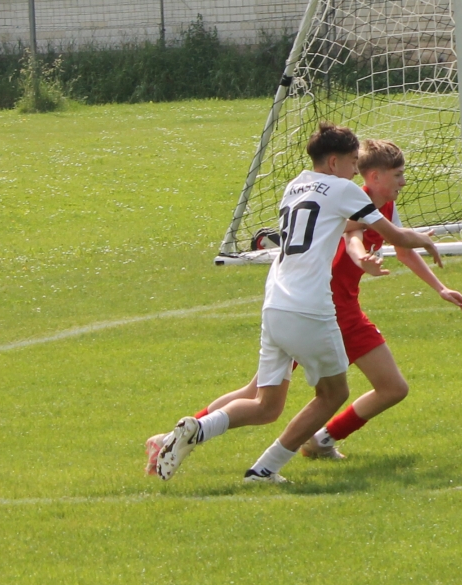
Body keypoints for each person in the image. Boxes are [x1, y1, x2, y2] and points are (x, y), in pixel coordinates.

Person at [144, 122, 442, 483]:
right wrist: (424, 240)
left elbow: (347, 232)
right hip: (310, 307)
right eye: (352, 162)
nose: (355, 170)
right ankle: (265, 468)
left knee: (265, 405)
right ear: (333, 162)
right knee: (334, 393)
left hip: (275, 304)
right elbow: (393, 236)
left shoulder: (294, 185)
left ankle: (196, 431)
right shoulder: (344, 189)